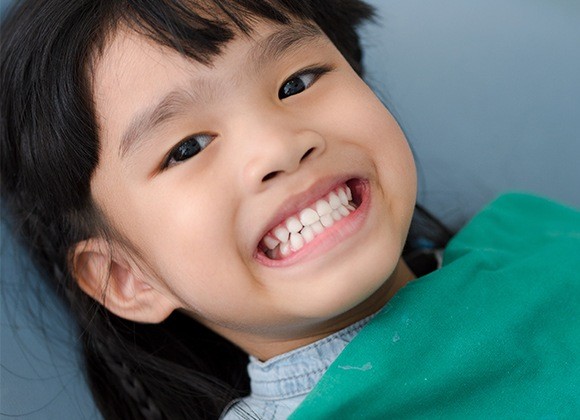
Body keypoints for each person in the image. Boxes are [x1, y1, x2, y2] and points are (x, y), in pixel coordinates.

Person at [1, 1, 577, 419]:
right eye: (187, 149)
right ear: (125, 278)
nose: (279, 147)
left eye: (297, 82)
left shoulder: (540, 241)